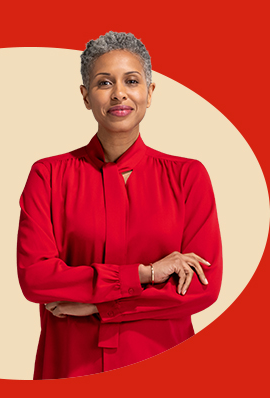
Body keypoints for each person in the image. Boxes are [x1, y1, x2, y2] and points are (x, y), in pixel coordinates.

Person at [17, 31, 223, 380]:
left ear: (150, 92)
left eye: (131, 80)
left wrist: (100, 304)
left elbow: (203, 287)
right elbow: (35, 279)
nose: (119, 93)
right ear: (85, 96)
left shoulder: (188, 176)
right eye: (103, 83)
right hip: (71, 368)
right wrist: (147, 273)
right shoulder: (48, 175)